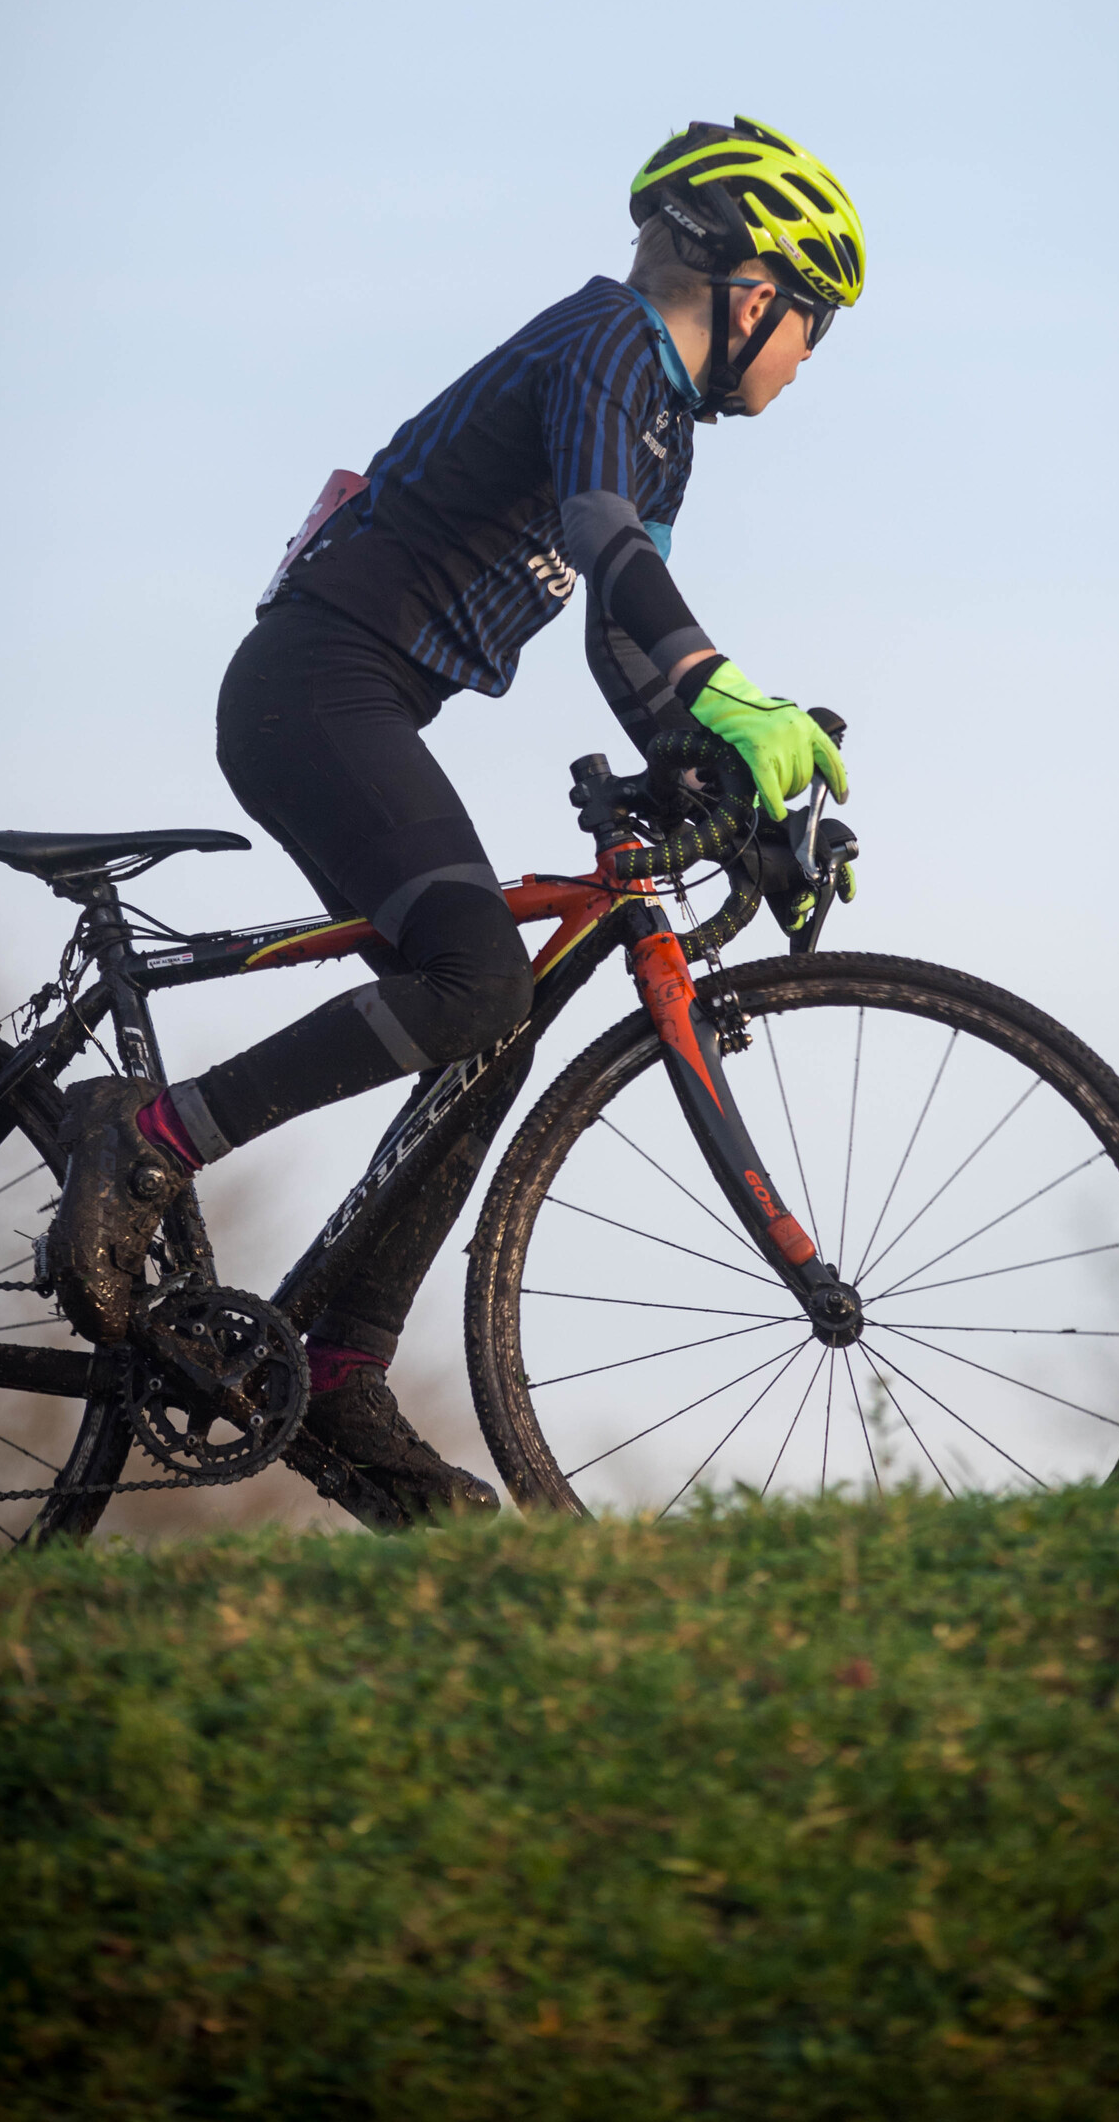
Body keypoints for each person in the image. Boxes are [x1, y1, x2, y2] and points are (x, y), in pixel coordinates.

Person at [48, 118, 865, 1520]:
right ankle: (149, 1138)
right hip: (319, 687)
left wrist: (725, 782)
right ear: (747, 284)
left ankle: (341, 1369)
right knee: (477, 974)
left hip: (360, 697)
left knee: (496, 1019)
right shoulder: (609, 345)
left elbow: (625, 633)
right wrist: (725, 692)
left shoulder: (660, 427)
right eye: (812, 322)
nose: (807, 358)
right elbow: (609, 547)